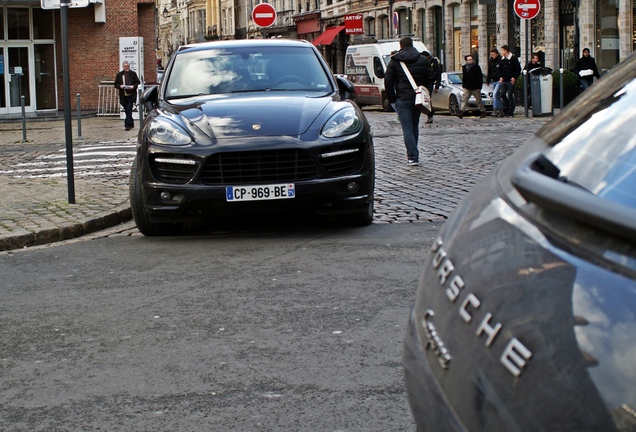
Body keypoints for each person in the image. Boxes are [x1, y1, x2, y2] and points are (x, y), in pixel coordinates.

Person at [384, 36, 431, 166]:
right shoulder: (422, 60)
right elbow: (430, 77)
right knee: (414, 126)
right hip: (418, 98)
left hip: (402, 98)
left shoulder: (395, 61)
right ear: (412, 45)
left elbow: (388, 81)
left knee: (407, 128)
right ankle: (414, 153)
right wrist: (426, 94)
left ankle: (412, 156)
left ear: (401, 46)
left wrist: (392, 99)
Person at [114, 61, 141, 131]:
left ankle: (127, 125)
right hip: (123, 95)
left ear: (129, 66)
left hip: (131, 95)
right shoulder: (119, 75)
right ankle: (131, 123)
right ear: (123, 67)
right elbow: (115, 84)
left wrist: (133, 86)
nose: (126, 68)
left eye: (128, 66)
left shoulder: (133, 74)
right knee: (127, 110)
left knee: (129, 109)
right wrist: (120, 86)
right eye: (125, 66)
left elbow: (137, 82)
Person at [458, 54, 486, 119]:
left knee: (478, 100)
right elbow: (464, 77)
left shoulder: (476, 67)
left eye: (471, 59)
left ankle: (482, 111)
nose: (471, 61)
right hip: (467, 86)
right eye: (469, 60)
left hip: (475, 86)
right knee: (464, 99)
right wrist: (464, 85)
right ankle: (462, 111)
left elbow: (480, 77)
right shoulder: (464, 67)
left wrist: (479, 87)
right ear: (466, 61)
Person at [499, 45, 521, 118]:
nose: (501, 52)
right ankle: (507, 107)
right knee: (502, 94)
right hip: (504, 80)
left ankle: (511, 111)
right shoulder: (502, 59)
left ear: (506, 51)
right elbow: (501, 69)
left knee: (510, 95)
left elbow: (518, 69)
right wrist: (501, 77)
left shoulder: (513, 58)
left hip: (510, 80)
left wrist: (514, 77)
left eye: (502, 50)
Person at [421, 51, 441, 124]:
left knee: (427, 99)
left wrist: (437, 86)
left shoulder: (434, 63)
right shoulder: (422, 62)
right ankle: (429, 113)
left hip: (430, 83)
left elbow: (438, 75)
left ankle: (430, 114)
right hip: (422, 83)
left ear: (427, 57)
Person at [487, 48, 503, 117]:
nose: (492, 56)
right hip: (494, 80)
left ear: (497, 54)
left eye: (493, 55)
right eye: (491, 55)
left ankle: (495, 110)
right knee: (497, 96)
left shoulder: (500, 60)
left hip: (499, 80)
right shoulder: (491, 61)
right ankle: (501, 111)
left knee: (495, 95)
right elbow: (489, 71)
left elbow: (502, 70)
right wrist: (488, 80)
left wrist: (502, 77)